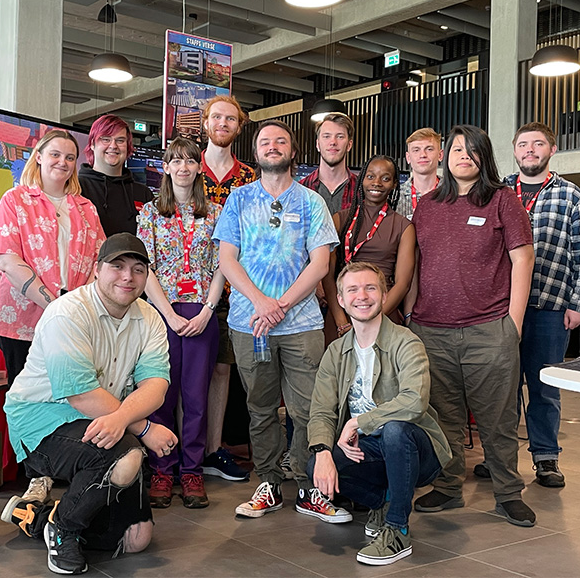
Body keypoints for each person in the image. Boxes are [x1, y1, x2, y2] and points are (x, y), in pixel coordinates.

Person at [0, 233, 174, 575]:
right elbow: (79, 394)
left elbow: (156, 384)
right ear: (97, 270)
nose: (128, 276)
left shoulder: (149, 318)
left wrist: (123, 418)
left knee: (136, 539)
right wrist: (144, 427)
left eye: (138, 269)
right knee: (126, 454)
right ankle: (63, 528)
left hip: (106, 415)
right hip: (41, 420)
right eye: (117, 266)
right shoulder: (66, 314)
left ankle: (35, 518)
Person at [408, 125, 536, 527]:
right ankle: (447, 488)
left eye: (472, 149)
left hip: (489, 330)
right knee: (443, 417)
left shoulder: (502, 200)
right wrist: (412, 316)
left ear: (484, 156)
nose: (464, 155)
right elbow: (415, 267)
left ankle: (507, 492)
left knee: (497, 419)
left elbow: (523, 260)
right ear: (446, 156)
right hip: (432, 330)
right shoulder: (426, 206)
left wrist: (512, 325)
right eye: (457, 149)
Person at [213, 119, 340, 519]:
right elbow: (226, 259)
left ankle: (308, 487)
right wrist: (260, 303)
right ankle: (268, 482)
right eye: (265, 142)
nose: (272, 147)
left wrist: (280, 304)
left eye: (280, 141)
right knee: (261, 407)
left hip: (301, 324)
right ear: (255, 152)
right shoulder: (238, 200)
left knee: (307, 409)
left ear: (292, 150)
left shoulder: (310, 201)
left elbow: (321, 263)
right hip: (249, 324)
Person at [0, 129, 106, 505]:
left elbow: (99, 263)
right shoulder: (16, 199)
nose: (62, 163)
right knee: (29, 398)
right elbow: (7, 257)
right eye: (55, 154)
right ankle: (35, 476)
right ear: (38, 156)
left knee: (70, 397)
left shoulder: (85, 208)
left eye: (70, 157)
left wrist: (77, 305)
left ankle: (67, 467)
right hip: (23, 321)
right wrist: (52, 300)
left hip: (74, 324)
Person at [307, 262, 451, 565]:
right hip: (368, 450)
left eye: (370, 288)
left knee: (395, 429)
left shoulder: (406, 342)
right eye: (353, 290)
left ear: (384, 296)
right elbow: (320, 410)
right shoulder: (335, 352)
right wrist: (322, 452)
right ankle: (384, 501)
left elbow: (414, 402)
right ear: (342, 300)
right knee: (314, 465)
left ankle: (397, 528)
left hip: (417, 451)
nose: (363, 296)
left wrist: (358, 422)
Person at [498, 122, 580, 488]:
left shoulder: (571, 195)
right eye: (523, 144)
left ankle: (545, 458)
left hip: (550, 307)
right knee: (502, 388)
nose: (529, 150)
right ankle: (501, 457)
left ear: (551, 150)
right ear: (514, 150)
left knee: (543, 387)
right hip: (501, 310)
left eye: (537, 144)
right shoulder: (498, 192)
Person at [136, 138, 225, 508]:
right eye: (177, 161)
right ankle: (162, 468)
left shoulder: (217, 213)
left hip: (202, 313)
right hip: (162, 313)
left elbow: (224, 265)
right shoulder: (151, 214)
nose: (184, 167)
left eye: (191, 161)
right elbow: (146, 269)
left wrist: (207, 309)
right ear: (167, 168)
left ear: (199, 168)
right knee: (162, 395)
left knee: (196, 398)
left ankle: (191, 471)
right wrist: (169, 315)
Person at [199, 95, 256, 482]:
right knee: (181, 372)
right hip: (185, 291)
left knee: (222, 369)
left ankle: (214, 449)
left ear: (239, 126)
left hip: (233, 290)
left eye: (230, 119)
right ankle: (183, 449)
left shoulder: (249, 177)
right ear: (205, 123)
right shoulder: (185, 167)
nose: (223, 123)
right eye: (216, 117)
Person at [322, 155, 415, 332]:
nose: (377, 183)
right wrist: (341, 320)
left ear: (395, 184)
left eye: (385, 178)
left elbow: (403, 283)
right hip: (342, 310)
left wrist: (373, 318)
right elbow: (327, 274)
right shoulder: (340, 219)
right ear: (362, 179)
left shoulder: (404, 227)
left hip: (383, 310)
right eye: (370, 176)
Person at [79, 114, 154, 236]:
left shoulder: (143, 194)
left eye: (120, 140)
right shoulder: (77, 188)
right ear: (92, 144)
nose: (113, 146)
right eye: (105, 139)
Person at [299, 113, 359, 216]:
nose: (333, 142)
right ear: (318, 144)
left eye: (340, 137)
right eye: (326, 136)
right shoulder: (300, 189)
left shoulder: (361, 190)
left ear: (349, 145)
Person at [396, 128, 443, 220]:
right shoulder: (395, 197)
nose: (423, 155)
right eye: (416, 150)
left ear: (440, 155)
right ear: (408, 158)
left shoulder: (454, 193)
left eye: (429, 149)